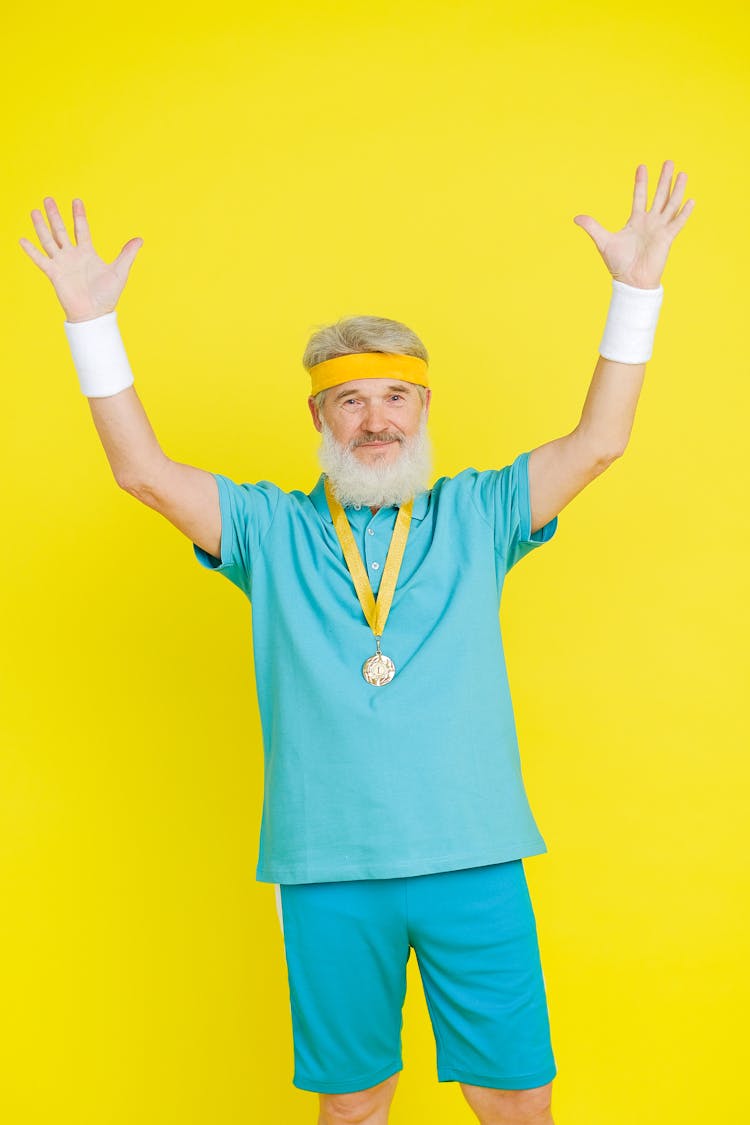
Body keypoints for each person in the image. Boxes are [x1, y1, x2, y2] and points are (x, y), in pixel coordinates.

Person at [20, 161, 694, 1125]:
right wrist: (90, 322)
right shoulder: (268, 529)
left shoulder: (480, 512)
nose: (375, 419)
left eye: (395, 397)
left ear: (424, 410)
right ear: (319, 416)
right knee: (354, 1106)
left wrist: (637, 290)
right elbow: (141, 471)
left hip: (475, 856)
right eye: (351, 400)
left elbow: (599, 443)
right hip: (329, 866)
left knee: (515, 1100)